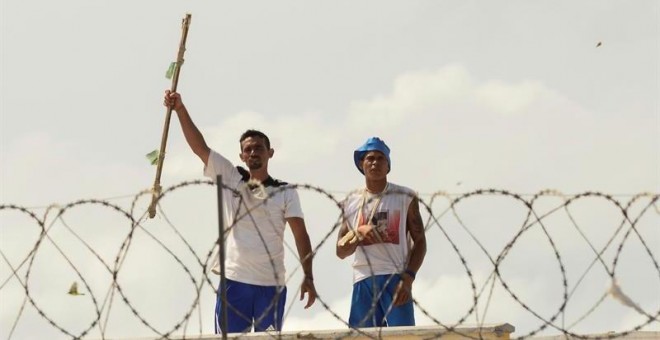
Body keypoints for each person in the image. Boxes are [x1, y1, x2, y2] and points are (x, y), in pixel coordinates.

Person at [163, 90, 317, 333]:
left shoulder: (285, 191)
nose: (254, 153)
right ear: (242, 156)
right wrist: (180, 109)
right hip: (234, 280)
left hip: (271, 282)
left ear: (270, 152)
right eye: (248, 149)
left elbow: (301, 234)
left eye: (259, 148)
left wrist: (308, 276)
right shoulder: (231, 177)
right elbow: (199, 148)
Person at [336, 137, 426, 328]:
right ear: (362, 164)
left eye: (380, 158)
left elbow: (420, 243)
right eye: (370, 158)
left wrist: (408, 278)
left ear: (388, 165)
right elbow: (340, 251)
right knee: (362, 335)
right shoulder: (351, 201)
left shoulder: (405, 197)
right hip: (363, 278)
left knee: (401, 335)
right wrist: (357, 235)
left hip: (395, 275)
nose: (375, 162)